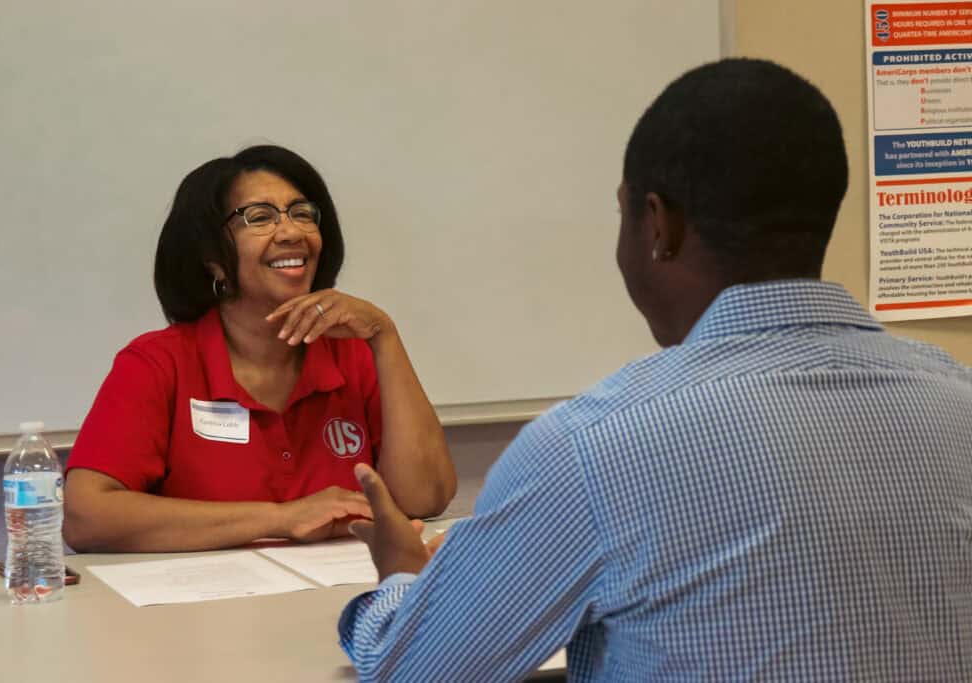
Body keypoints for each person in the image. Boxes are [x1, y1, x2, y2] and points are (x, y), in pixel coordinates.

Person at [337, 58, 972, 681]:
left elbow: (411, 670)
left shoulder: (593, 447)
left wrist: (401, 579)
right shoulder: (959, 398)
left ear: (658, 225)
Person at [63, 145, 456, 553]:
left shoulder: (353, 354)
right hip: (199, 608)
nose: (291, 232)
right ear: (213, 258)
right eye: (260, 218)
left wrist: (384, 335)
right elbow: (86, 517)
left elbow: (424, 499)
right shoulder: (159, 363)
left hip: (340, 596)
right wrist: (282, 518)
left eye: (302, 213)